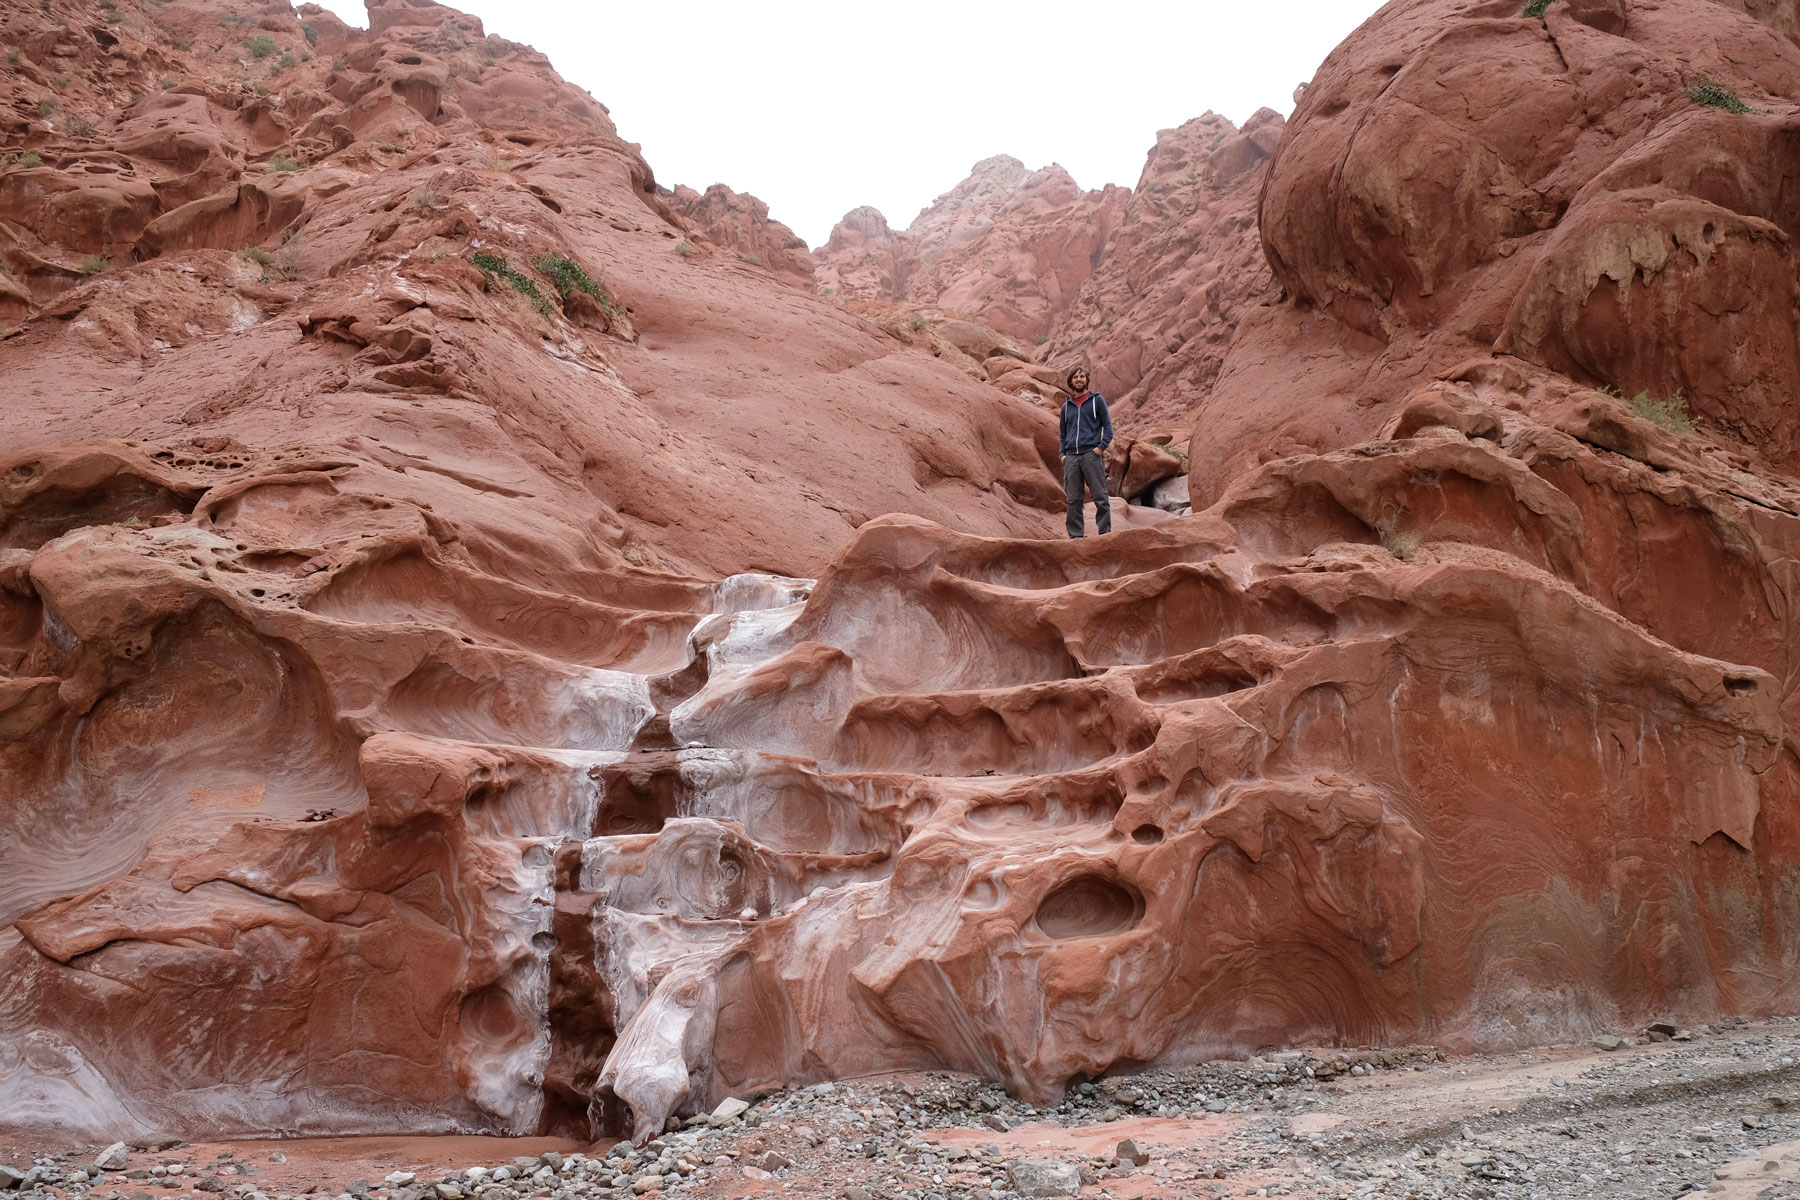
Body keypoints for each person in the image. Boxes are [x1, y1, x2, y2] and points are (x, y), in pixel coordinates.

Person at [1059, 366, 1112, 538]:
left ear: (1086, 380)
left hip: (1091, 455)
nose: (1079, 379)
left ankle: (1104, 534)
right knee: (1073, 500)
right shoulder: (1066, 407)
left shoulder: (1097, 401)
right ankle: (1076, 537)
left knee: (1100, 497)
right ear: (1071, 381)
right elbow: (1063, 434)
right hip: (1072, 458)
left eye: (1082, 376)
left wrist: (1099, 449)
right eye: (1075, 377)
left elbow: (1108, 428)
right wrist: (1062, 455)